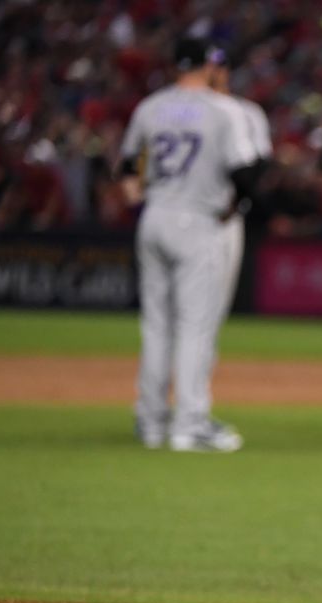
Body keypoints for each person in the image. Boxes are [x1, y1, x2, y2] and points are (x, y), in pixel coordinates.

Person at [118, 37, 261, 452]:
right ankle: (190, 423)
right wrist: (238, 206)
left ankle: (151, 421)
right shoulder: (224, 110)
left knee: (157, 325)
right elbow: (245, 175)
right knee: (195, 327)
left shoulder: (151, 107)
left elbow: (127, 165)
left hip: (156, 216)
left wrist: (142, 201)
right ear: (209, 67)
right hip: (199, 221)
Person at [209, 50, 273, 317]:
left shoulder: (247, 113)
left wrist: (239, 203)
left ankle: (194, 359)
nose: (214, 72)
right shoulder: (169, 108)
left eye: (219, 67)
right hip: (186, 209)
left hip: (227, 215)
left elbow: (259, 165)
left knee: (217, 304)